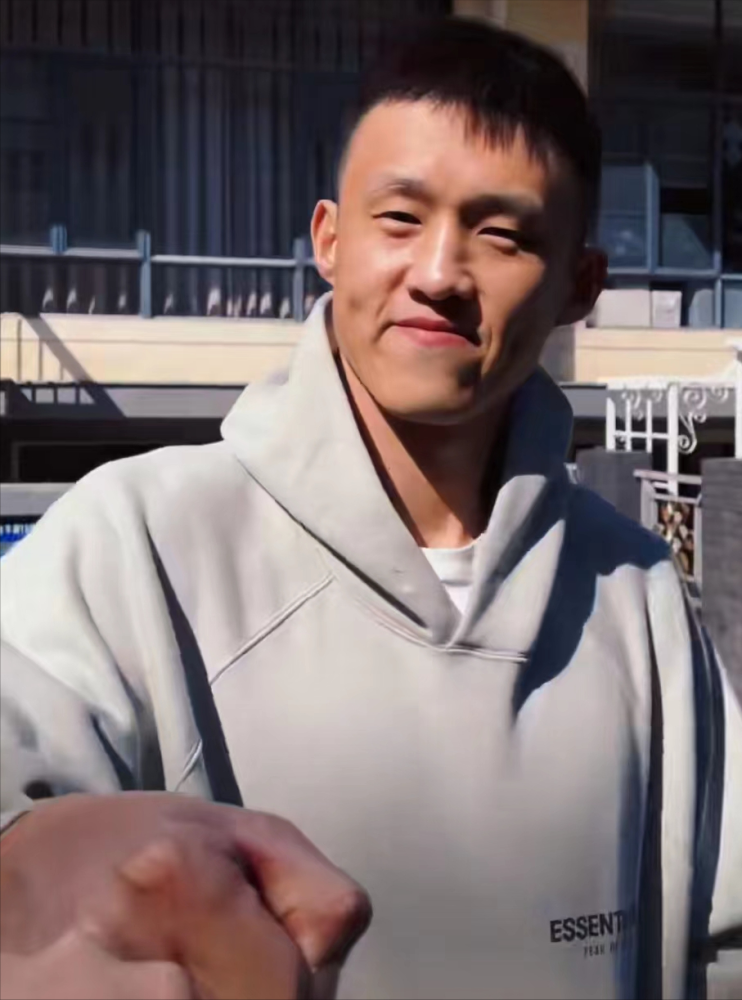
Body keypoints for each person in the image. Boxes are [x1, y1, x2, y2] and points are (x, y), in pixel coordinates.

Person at [1, 16, 740, 1000]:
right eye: (399, 219)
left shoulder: (638, 594)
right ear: (329, 240)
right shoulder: (131, 542)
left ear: (580, 284)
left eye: (502, 234)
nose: (437, 274)